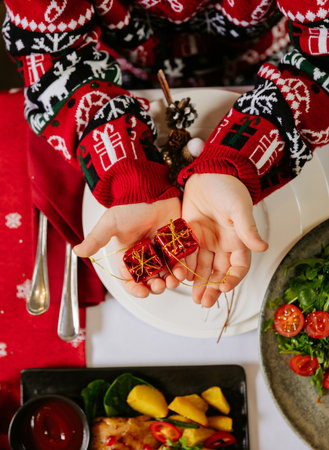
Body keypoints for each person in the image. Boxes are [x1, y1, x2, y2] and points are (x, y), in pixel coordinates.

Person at [2, 0, 327, 307]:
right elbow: (50, 56)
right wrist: (128, 171)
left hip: (272, 59)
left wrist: (241, 154)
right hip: (114, 69)